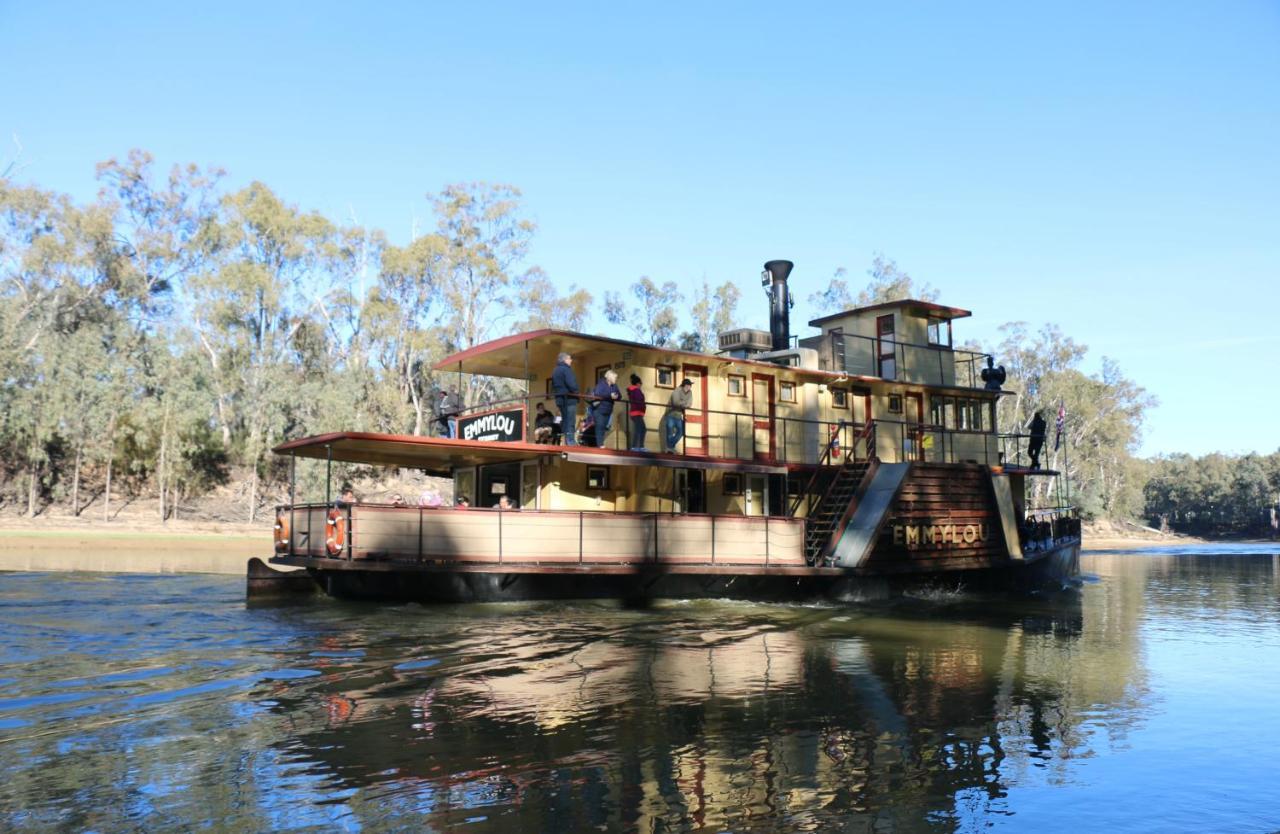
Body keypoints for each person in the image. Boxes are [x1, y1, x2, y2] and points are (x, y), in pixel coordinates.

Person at [551, 352, 580, 446]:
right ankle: (570, 442)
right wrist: (577, 393)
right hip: (569, 399)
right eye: (569, 359)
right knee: (571, 421)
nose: (571, 360)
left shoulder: (555, 370)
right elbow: (572, 384)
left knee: (565, 420)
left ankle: (565, 440)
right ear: (564, 360)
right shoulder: (566, 370)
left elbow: (554, 386)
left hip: (560, 399)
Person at [591, 370, 621, 448]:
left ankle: (599, 444)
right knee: (600, 426)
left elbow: (620, 396)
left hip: (608, 409)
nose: (616, 379)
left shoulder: (615, 386)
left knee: (604, 427)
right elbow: (597, 393)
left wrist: (616, 396)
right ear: (609, 378)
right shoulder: (601, 384)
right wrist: (610, 395)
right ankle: (600, 445)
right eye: (615, 378)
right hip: (599, 409)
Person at [663, 379, 694, 452]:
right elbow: (675, 402)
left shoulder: (690, 393)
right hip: (670, 413)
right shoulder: (677, 390)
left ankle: (669, 447)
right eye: (689, 385)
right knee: (670, 432)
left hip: (679, 415)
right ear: (685, 385)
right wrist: (684, 403)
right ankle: (670, 449)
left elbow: (689, 404)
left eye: (690, 386)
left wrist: (682, 403)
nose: (690, 387)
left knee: (681, 432)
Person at [626, 373, 647, 452]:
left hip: (635, 413)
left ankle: (638, 446)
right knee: (641, 429)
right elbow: (639, 401)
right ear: (638, 383)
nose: (641, 385)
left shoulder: (632, 390)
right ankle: (636, 447)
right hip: (637, 412)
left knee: (640, 429)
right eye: (640, 384)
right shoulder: (637, 390)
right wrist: (644, 408)